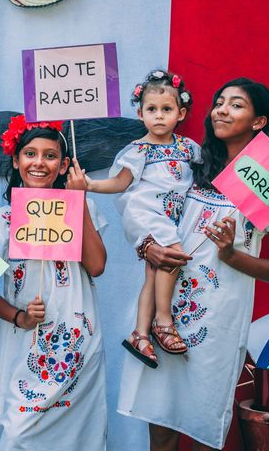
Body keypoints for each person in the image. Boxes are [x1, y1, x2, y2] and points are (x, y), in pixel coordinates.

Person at [117, 78, 269, 450]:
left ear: (258, 121)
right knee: (160, 423)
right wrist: (147, 245)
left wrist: (232, 254)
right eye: (219, 102)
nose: (221, 109)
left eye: (236, 105)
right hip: (167, 315)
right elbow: (141, 205)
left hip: (218, 321)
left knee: (204, 423)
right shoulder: (192, 166)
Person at [0, 114, 108, 450]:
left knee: (79, 440)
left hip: (78, 346)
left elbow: (96, 266)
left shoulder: (85, 206)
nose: (39, 163)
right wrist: (17, 316)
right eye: (30, 153)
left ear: (64, 164)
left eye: (50, 156)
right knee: (19, 435)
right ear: (16, 159)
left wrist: (77, 204)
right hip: (26, 346)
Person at [83, 69, 199, 366]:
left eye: (166, 109)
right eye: (151, 110)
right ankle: (163, 321)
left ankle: (140, 333)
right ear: (140, 114)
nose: (159, 116)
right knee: (172, 256)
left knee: (153, 272)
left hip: (172, 216)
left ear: (181, 112)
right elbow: (121, 182)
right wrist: (91, 185)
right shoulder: (138, 150)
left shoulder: (188, 148)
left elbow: (206, 175)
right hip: (146, 212)